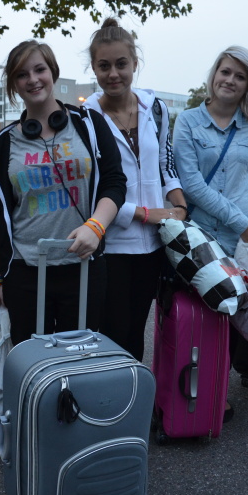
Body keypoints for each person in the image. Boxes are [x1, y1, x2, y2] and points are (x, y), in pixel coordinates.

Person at [0, 40, 127, 346]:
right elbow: (1, 216)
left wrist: (96, 227)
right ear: (13, 84)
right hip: (25, 273)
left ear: (53, 72)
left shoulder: (89, 125)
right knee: (32, 363)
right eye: (22, 74)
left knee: (78, 360)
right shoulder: (2, 144)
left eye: (40, 69)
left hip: (83, 266)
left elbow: (115, 183)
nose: (33, 79)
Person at [173, 45, 248, 422]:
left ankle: (217, 389)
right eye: (225, 71)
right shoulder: (188, 121)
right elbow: (191, 185)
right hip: (200, 234)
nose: (230, 80)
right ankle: (186, 388)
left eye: (240, 76)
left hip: (241, 239)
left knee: (232, 312)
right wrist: (242, 219)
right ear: (214, 74)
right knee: (197, 312)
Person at [83, 18, 187, 361]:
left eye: (121, 64)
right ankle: (111, 392)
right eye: (104, 66)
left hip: (154, 244)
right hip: (111, 244)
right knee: (111, 333)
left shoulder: (155, 108)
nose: (113, 74)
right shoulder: (86, 118)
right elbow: (91, 188)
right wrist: (142, 213)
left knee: (136, 331)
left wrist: (179, 206)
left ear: (134, 63)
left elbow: (166, 164)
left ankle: (134, 394)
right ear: (94, 68)